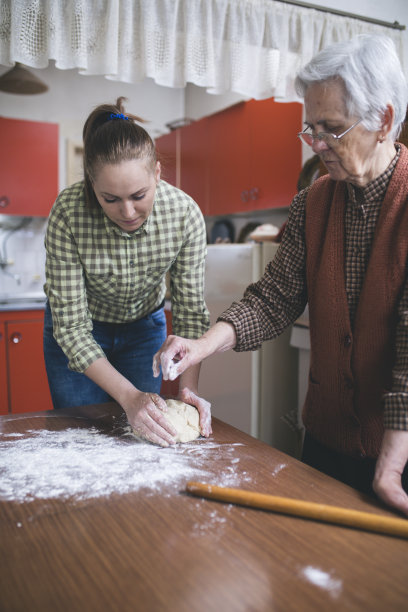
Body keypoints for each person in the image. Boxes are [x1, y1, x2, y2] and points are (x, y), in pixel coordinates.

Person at [153, 34, 408, 516]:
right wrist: (204, 345)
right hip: (326, 444)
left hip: (401, 451)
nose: (315, 143)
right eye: (309, 127)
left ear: (384, 121)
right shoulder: (313, 204)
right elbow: (272, 298)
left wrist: (393, 462)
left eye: (330, 127)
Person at [43, 97, 211, 446]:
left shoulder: (184, 215)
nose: (128, 211)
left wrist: (188, 388)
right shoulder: (68, 213)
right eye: (110, 199)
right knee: (82, 439)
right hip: (80, 332)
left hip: (143, 331)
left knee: (139, 439)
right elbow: (71, 328)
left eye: (139, 194)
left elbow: (191, 316)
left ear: (158, 174)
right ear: (91, 185)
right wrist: (128, 396)